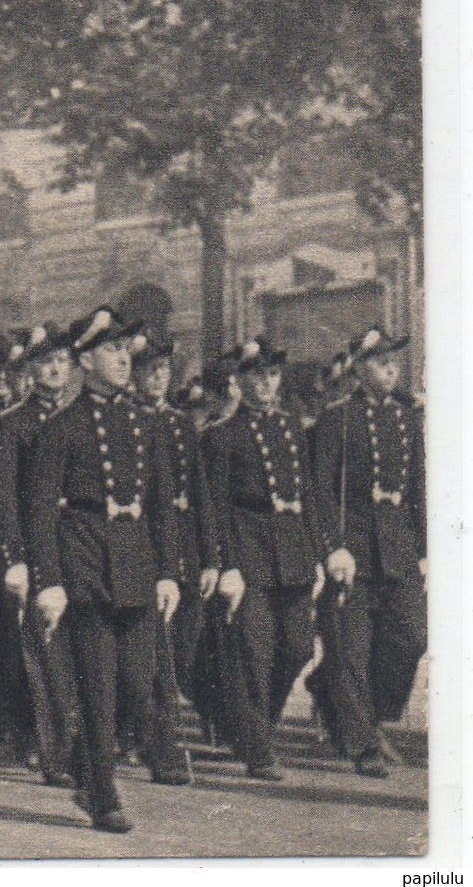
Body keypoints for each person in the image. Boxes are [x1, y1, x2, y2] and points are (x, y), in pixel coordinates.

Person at [23, 306, 181, 833]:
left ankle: (85, 762)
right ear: (85, 359)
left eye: (126, 350)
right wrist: (48, 581)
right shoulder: (62, 427)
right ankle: (101, 791)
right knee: (96, 685)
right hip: (86, 563)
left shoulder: (146, 423)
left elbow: (161, 504)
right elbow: (41, 509)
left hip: (135, 561)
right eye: (112, 350)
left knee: (139, 682)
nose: (123, 358)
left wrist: (166, 572)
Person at [202, 338, 321, 781]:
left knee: (297, 647)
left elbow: (307, 494)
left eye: (273, 375)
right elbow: (213, 506)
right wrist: (223, 563)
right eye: (257, 375)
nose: (267, 384)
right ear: (239, 381)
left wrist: (319, 553)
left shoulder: (292, 428)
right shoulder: (221, 436)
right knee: (253, 651)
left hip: (292, 554)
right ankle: (256, 746)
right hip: (248, 553)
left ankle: (256, 725)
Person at [310, 327, 426, 778]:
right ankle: (363, 744)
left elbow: (418, 486)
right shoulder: (338, 419)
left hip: (398, 549)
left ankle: (342, 697)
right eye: (380, 361)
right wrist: (332, 548)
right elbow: (321, 490)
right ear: (359, 369)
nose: (392, 367)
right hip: (353, 551)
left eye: (394, 359)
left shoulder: (406, 418)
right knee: (352, 651)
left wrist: (425, 548)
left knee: (412, 637)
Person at [0, 321, 82, 786]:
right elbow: (5, 499)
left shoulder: (79, 421)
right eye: (46, 362)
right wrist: (15, 558)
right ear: (29, 369)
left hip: (76, 553)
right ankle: (52, 752)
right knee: (39, 654)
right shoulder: (9, 427)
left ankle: (62, 741)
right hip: (31, 551)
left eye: (62, 360)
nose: (56, 369)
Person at [130, 333, 210, 785]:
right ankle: (159, 745)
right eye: (149, 370)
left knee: (183, 643)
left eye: (164, 370)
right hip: (139, 543)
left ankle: (143, 731)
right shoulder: (128, 420)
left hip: (183, 546)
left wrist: (212, 558)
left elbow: (199, 493)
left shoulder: (180, 425)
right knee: (154, 652)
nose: (158, 378)